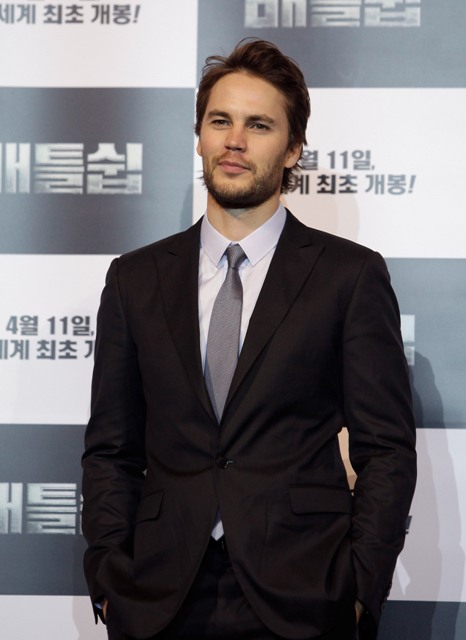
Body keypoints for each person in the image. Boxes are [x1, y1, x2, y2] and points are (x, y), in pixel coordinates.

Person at [82, 39, 416, 640]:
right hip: (158, 598)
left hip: (304, 595)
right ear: (200, 137)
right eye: (220, 121)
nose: (234, 141)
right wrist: (110, 577)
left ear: (292, 149)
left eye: (258, 125)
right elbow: (111, 449)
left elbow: (386, 449)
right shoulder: (134, 277)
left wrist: (359, 587)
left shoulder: (349, 276)